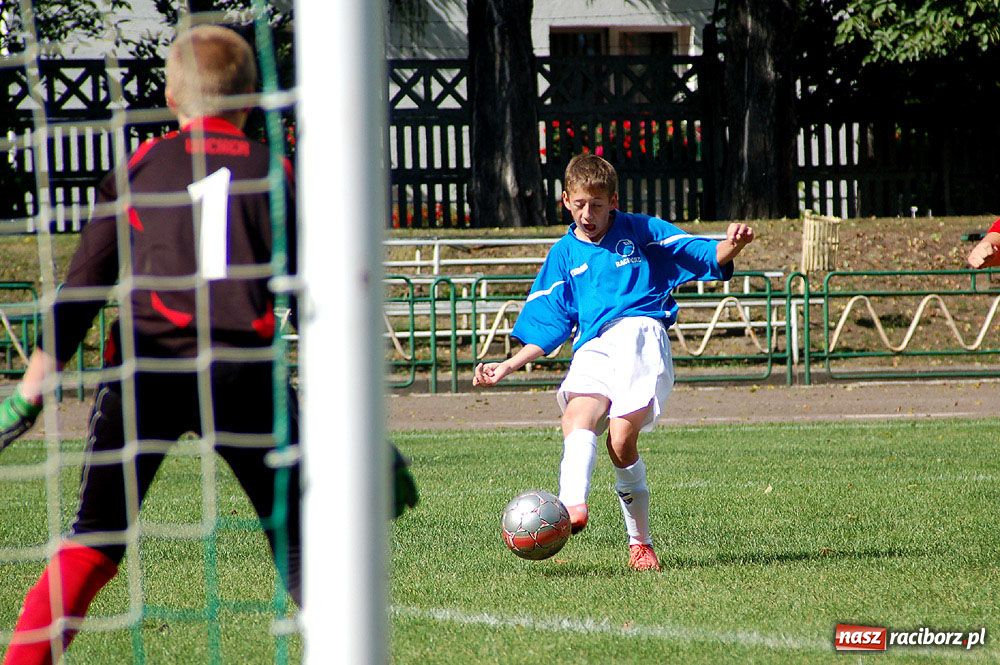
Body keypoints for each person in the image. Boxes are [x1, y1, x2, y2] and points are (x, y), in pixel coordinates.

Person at [0, 25, 301, 664]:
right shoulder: (276, 171)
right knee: (303, 542)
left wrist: (30, 392)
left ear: (170, 96)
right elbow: (312, 295)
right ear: (252, 100)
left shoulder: (139, 167)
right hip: (244, 372)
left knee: (95, 538)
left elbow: (84, 287)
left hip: (146, 367)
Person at [473, 153, 754, 572]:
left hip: (640, 335)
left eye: (598, 205)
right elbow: (550, 322)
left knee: (620, 442)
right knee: (576, 416)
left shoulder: (640, 231)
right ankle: (571, 506)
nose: (588, 214)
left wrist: (734, 244)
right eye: (580, 204)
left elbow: (701, 252)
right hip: (593, 345)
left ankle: (640, 543)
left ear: (614, 202)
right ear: (566, 200)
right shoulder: (563, 255)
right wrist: (508, 365)